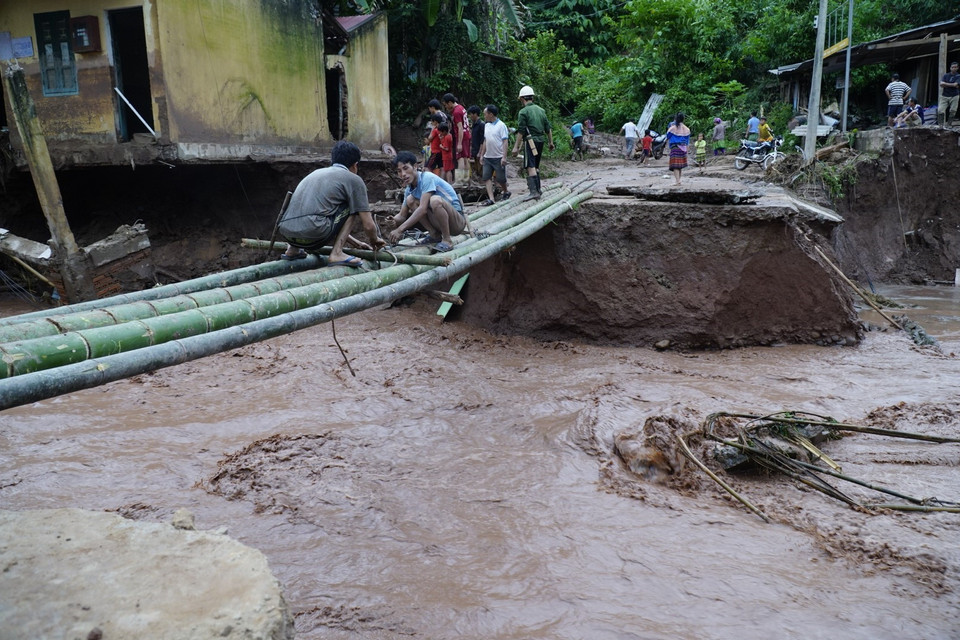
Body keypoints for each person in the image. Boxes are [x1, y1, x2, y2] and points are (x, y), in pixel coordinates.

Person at [278, 141, 385, 267]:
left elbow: (330, 218)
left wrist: (356, 243)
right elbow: (368, 225)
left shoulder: (314, 173)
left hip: (286, 233)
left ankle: (293, 250)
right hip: (314, 234)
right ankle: (336, 253)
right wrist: (375, 240)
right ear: (355, 165)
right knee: (352, 207)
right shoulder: (354, 180)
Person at [388, 151, 466, 253]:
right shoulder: (409, 189)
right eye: (399, 171)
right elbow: (402, 215)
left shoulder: (427, 178)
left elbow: (423, 209)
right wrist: (393, 220)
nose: (403, 174)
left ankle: (447, 240)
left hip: (456, 223)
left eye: (406, 168)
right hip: (439, 223)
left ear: (415, 166)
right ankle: (434, 235)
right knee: (410, 200)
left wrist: (400, 230)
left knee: (435, 200)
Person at [511, 85, 554, 200]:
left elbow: (521, 131)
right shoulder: (541, 110)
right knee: (536, 165)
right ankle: (538, 190)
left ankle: (534, 191)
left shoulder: (523, 112)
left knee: (530, 166)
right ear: (532, 98)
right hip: (541, 141)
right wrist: (551, 142)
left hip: (530, 141)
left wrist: (516, 147)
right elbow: (548, 128)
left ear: (522, 99)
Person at [478, 104, 510, 206]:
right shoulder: (486, 126)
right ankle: (491, 199)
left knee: (500, 179)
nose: (484, 116)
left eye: (485, 114)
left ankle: (506, 191)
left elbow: (505, 141)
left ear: (490, 114)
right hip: (488, 157)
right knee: (486, 177)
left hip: (498, 156)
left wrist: (504, 157)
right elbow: (485, 141)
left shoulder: (501, 126)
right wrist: (482, 155)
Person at [443, 93, 470, 185]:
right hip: (466, 135)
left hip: (461, 136)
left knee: (460, 158)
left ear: (450, 102)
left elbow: (460, 128)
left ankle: (459, 181)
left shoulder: (456, 112)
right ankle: (466, 180)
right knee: (465, 159)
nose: (446, 107)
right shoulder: (461, 108)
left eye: (446, 104)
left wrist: (459, 143)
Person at [666, 112, 691, 187]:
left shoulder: (673, 128)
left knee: (675, 166)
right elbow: (687, 141)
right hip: (683, 148)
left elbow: (668, 136)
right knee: (680, 166)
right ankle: (678, 180)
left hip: (675, 147)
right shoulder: (687, 129)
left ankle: (677, 181)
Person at [938, 61, 960, 126]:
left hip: (955, 95)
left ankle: (949, 125)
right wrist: (952, 85)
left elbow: (956, 84)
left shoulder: (958, 76)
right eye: (952, 67)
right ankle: (940, 125)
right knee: (940, 110)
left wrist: (945, 84)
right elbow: (941, 84)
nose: (954, 68)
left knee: (953, 111)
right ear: (950, 68)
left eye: (955, 67)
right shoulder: (946, 75)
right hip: (945, 95)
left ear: (957, 68)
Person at [468, 105, 485, 183]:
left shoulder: (481, 124)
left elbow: (482, 140)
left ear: (475, 114)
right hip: (475, 150)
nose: (470, 116)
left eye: (471, 114)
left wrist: (480, 152)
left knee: (481, 169)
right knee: (476, 169)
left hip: (479, 151)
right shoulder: (474, 124)